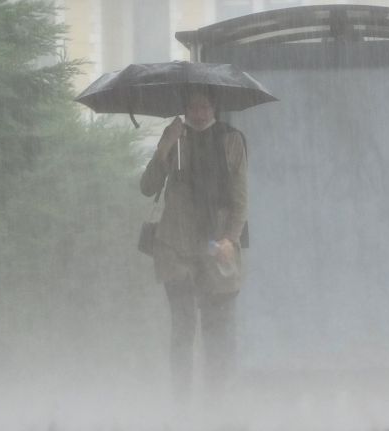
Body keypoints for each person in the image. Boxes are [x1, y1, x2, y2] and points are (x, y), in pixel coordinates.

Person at [140, 90, 248, 405]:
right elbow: (147, 186)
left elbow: (240, 199)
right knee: (183, 327)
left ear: (214, 107)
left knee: (218, 331)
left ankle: (216, 405)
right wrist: (165, 145)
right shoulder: (176, 138)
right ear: (184, 108)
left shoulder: (231, 140)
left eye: (204, 106)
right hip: (175, 246)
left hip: (216, 245)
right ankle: (182, 406)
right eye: (192, 106)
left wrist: (230, 238)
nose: (198, 113)